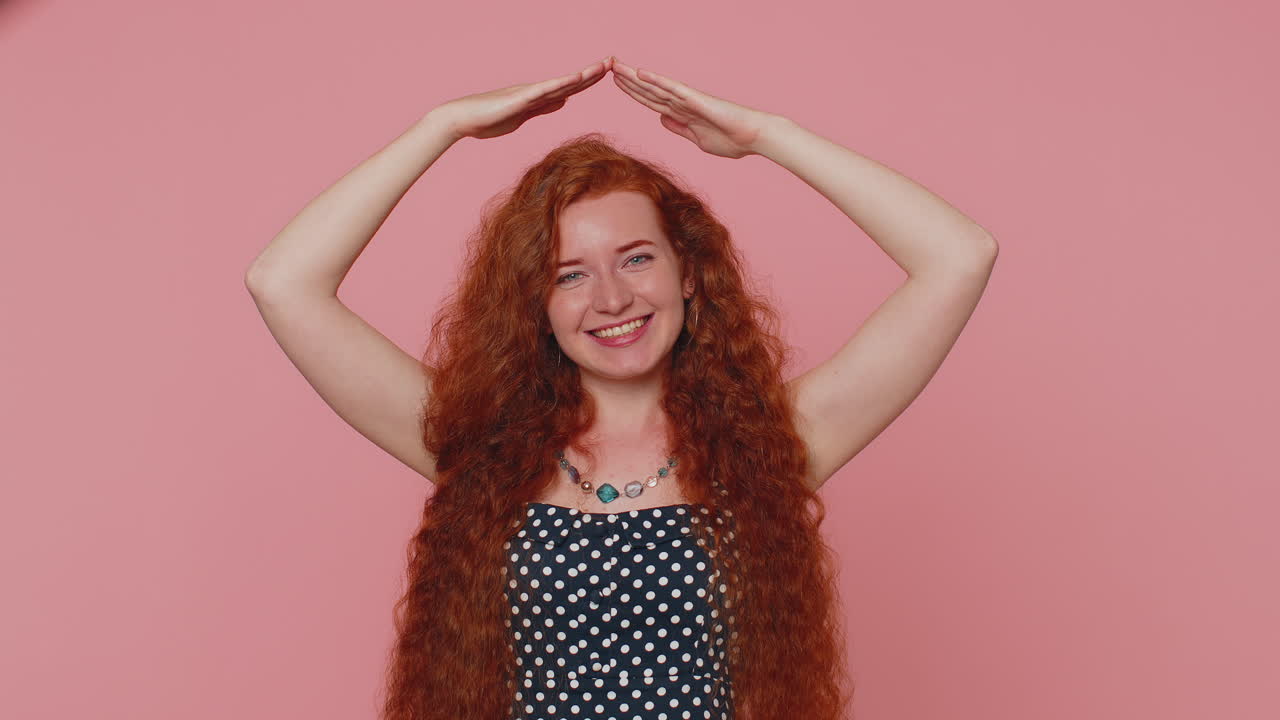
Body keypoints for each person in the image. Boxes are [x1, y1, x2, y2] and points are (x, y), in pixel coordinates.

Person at [246, 56, 997, 720]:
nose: (610, 298)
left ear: (689, 274)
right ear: (535, 305)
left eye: (636, 259)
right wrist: (441, 128)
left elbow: (959, 256)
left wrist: (768, 136)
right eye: (569, 274)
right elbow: (284, 283)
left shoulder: (772, 444)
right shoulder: (479, 444)